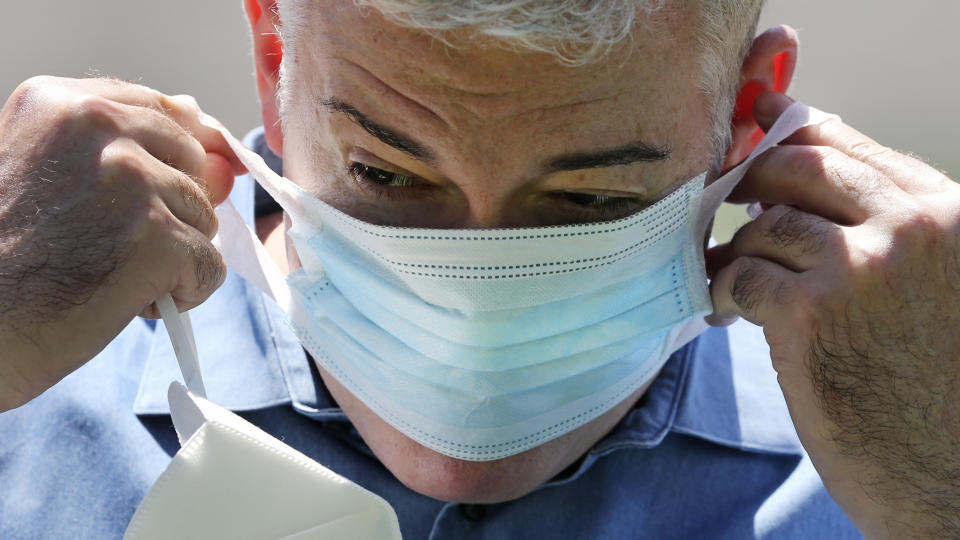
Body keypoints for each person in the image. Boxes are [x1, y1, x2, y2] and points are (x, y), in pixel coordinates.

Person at [1, 1, 958, 538]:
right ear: (274, 62)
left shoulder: (898, 462)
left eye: (587, 200)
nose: (475, 306)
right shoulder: (33, 387)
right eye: (384, 172)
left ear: (746, 119)